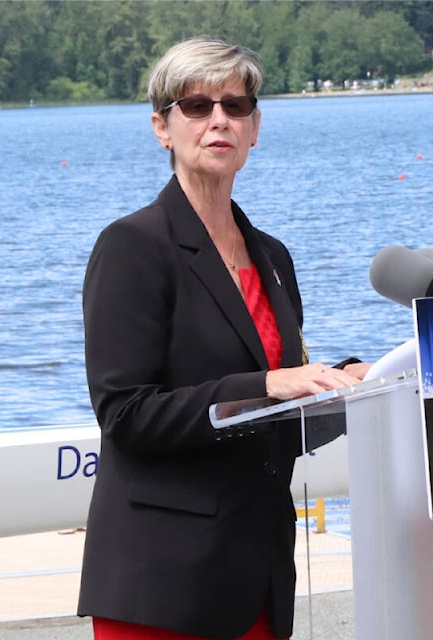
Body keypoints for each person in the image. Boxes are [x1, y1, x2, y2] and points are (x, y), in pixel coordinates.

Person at [78, 36, 369, 640]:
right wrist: (267, 383)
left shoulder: (273, 257)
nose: (219, 121)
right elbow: (127, 414)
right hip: (161, 585)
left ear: (255, 128)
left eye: (236, 107)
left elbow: (276, 416)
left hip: (256, 571)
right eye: (196, 106)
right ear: (163, 128)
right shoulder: (132, 247)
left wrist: (346, 388)